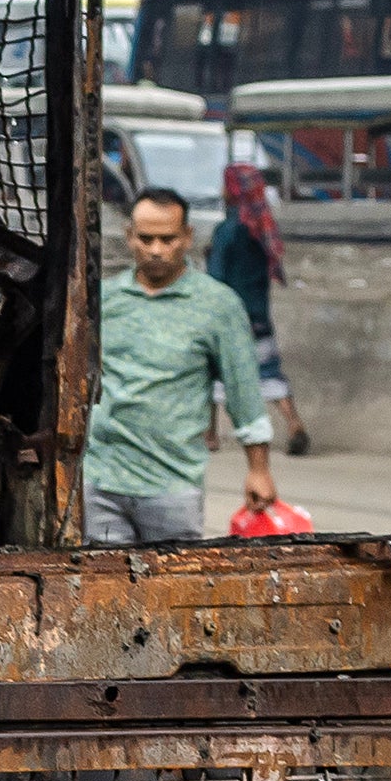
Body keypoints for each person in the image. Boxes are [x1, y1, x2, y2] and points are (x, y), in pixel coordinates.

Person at [88, 185, 277, 545]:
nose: (156, 250)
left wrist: (259, 469)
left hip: (172, 486)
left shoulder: (217, 305)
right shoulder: (104, 300)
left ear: (187, 237)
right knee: (102, 592)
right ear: (129, 237)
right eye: (146, 239)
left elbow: (243, 389)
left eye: (168, 239)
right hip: (101, 483)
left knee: (170, 592)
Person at [201, 158, 310, 455]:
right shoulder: (262, 229)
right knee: (270, 370)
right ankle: (294, 424)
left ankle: (209, 434)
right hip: (258, 312)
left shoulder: (227, 230)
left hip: (229, 313)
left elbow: (217, 276)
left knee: (212, 370)